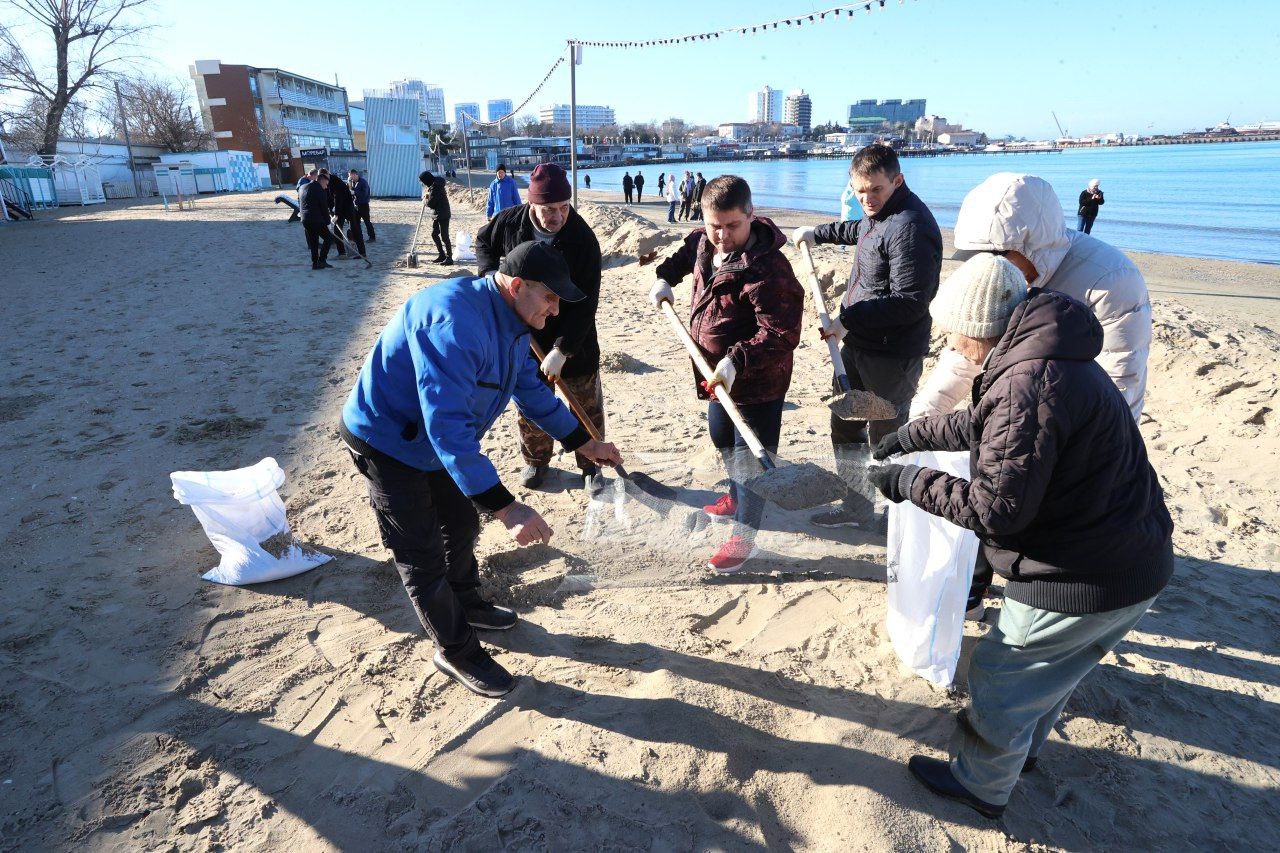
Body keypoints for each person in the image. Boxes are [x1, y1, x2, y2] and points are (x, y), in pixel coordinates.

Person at [869, 282, 1173, 820]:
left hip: (1083, 571)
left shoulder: (1025, 381)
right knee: (1053, 668)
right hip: (1137, 558)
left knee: (1003, 670)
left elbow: (994, 511)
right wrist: (916, 436)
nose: (950, 342)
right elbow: (990, 426)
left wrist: (909, 483)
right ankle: (1023, 752)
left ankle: (981, 784)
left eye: (954, 333)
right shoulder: (1048, 353)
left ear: (979, 327)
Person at [341, 241, 623, 698]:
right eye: (550, 298)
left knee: (461, 520)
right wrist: (507, 508)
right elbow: (447, 428)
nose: (555, 312)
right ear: (517, 286)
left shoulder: (512, 320)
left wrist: (584, 443)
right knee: (421, 554)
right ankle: (455, 650)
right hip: (388, 440)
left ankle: (467, 601)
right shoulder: (455, 324)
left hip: (438, 442)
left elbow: (532, 391)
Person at [649, 175, 804, 573]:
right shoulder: (705, 239)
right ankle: (735, 493)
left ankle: (744, 536)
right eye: (715, 225)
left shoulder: (769, 269)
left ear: (751, 215)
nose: (721, 235)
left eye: (732, 225)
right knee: (721, 436)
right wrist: (665, 278)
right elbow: (687, 254)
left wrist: (736, 362)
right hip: (715, 377)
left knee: (752, 458)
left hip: (756, 380)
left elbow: (781, 333)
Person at [791, 143, 943, 529]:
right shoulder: (879, 215)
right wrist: (818, 234)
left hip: (892, 356)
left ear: (897, 180)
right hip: (859, 346)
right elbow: (860, 229)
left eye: (875, 190)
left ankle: (898, 520)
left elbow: (909, 301)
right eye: (859, 191)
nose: (866, 199)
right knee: (846, 425)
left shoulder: (910, 227)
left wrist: (847, 319)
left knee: (887, 438)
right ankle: (856, 507)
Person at [474, 163, 607, 490]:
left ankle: (591, 465)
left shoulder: (582, 239)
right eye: (549, 210)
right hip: (524, 332)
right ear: (532, 204)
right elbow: (482, 241)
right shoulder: (508, 222)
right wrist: (490, 274)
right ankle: (536, 461)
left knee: (584, 401)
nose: (558, 217)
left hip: (573, 332)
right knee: (531, 401)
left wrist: (563, 349)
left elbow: (586, 304)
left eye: (564, 208)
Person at [299, 172, 336, 270]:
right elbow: (324, 208)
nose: (326, 187)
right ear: (322, 181)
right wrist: (328, 223)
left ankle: (315, 263)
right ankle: (322, 260)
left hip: (305, 219)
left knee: (313, 242)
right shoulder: (319, 190)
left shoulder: (303, 187)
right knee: (328, 239)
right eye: (326, 184)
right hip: (316, 220)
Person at [418, 169, 452, 265]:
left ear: (426, 180)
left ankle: (449, 258)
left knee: (445, 236)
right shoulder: (433, 185)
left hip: (443, 214)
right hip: (437, 214)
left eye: (423, 181)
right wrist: (427, 196)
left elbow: (431, 203)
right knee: (434, 234)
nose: (423, 184)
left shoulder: (436, 187)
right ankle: (442, 255)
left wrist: (425, 200)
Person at [330, 166, 365, 259]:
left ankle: (361, 253)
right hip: (344, 210)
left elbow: (338, 200)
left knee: (355, 230)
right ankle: (342, 253)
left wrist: (336, 214)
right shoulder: (338, 183)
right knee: (338, 230)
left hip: (348, 210)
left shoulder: (337, 185)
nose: (350, 178)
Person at [348, 169, 375, 243]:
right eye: (349, 176)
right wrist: (350, 184)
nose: (350, 178)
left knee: (367, 221)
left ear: (355, 174)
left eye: (350, 176)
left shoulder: (363, 182)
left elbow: (364, 194)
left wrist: (354, 192)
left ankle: (372, 237)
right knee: (356, 222)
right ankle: (359, 237)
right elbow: (351, 191)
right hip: (356, 205)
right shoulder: (353, 182)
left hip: (364, 205)